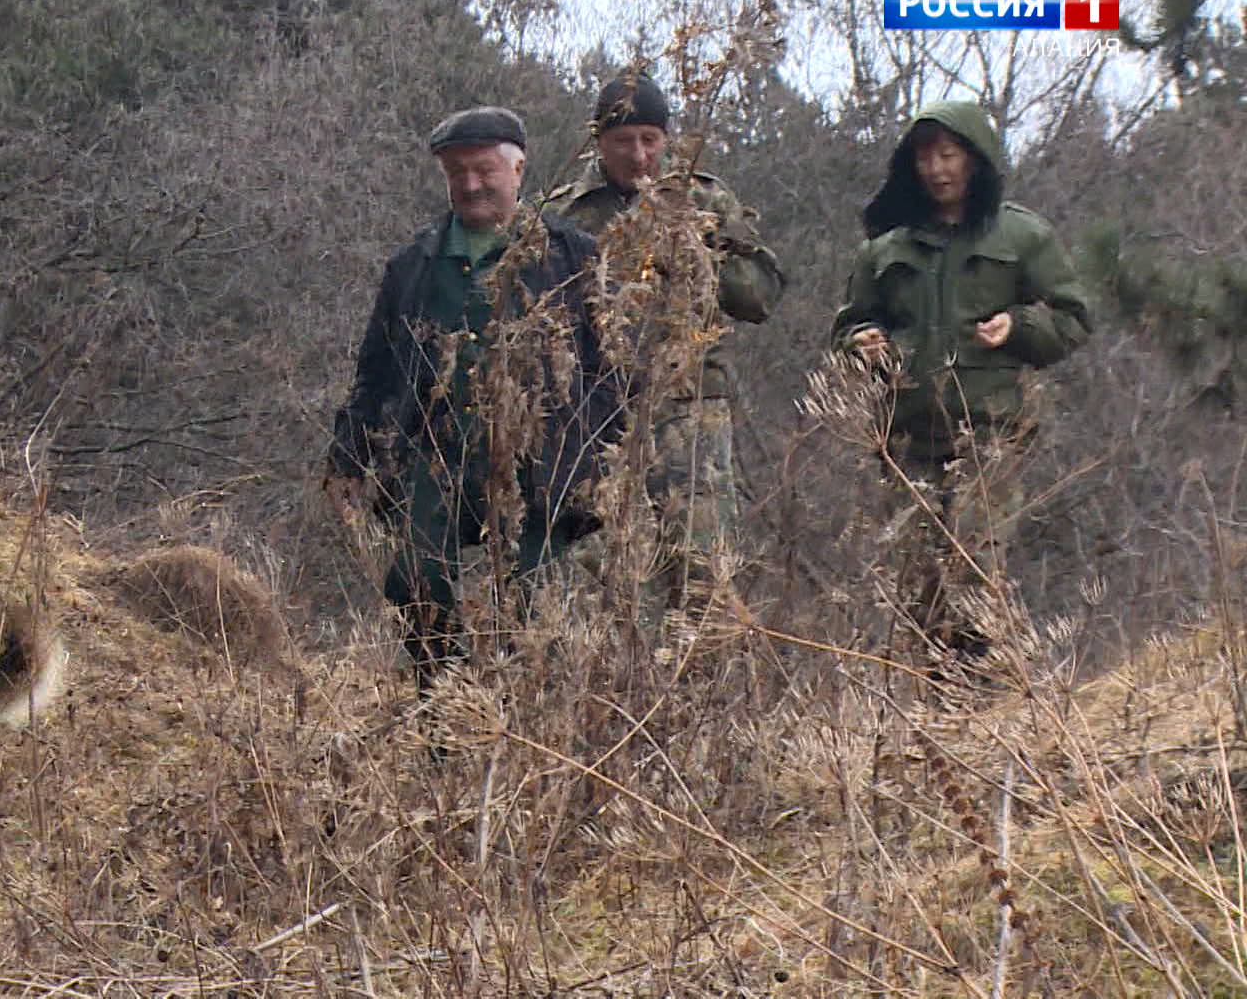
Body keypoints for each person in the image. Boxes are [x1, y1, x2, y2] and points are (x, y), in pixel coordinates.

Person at [325, 105, 628, 697]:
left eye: (483, 170)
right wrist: (345, 459)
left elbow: (615, 368)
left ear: (518, 171)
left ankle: (519, 734)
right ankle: (444, 715)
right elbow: (376, 372)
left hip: (541, 469)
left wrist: (600, 460)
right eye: (456, 172)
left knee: (531, 609)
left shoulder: (573, 257)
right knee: (415, 581)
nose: (469, 184)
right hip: (435, 459)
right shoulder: (414, 265)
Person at [831, 99, 1091, 664]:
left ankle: (980, 702)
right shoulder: (885, 247)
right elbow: (847, 328)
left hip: (991, 432)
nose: (937, 169)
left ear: (974, 160)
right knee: (918, 585)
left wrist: (1019, 326)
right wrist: (862, 345)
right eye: (925, 157)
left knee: (974, 566)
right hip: (906, 439)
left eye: (948, 155)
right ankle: (938, 711)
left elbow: (1072, 320)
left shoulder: (1023, 236)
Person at [543, 67, 785, 636]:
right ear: (598, 141)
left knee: (701, 565)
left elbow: (760, 297)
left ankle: (705, 693)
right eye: (624, 141)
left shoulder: (704, 197)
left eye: (651, 139)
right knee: (602, 567)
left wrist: (701, 251)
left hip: (688, 405)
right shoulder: (564, 211)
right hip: (596, 410)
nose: (640, 154)